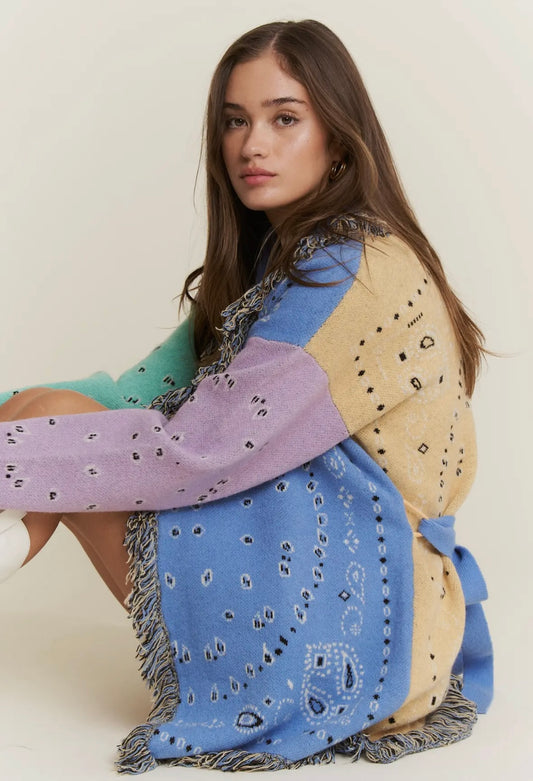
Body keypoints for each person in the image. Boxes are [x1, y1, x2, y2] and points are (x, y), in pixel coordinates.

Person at [0, 19, 492, 773]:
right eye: (234, 121)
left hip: (358, 625)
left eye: (284, 118)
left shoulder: (353, 271)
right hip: (313, 573)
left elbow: (195, 450)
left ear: (339, 137)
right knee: (46, 415)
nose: (251, 144)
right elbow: (130, 396)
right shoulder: (277, 263)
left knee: (51, 432)